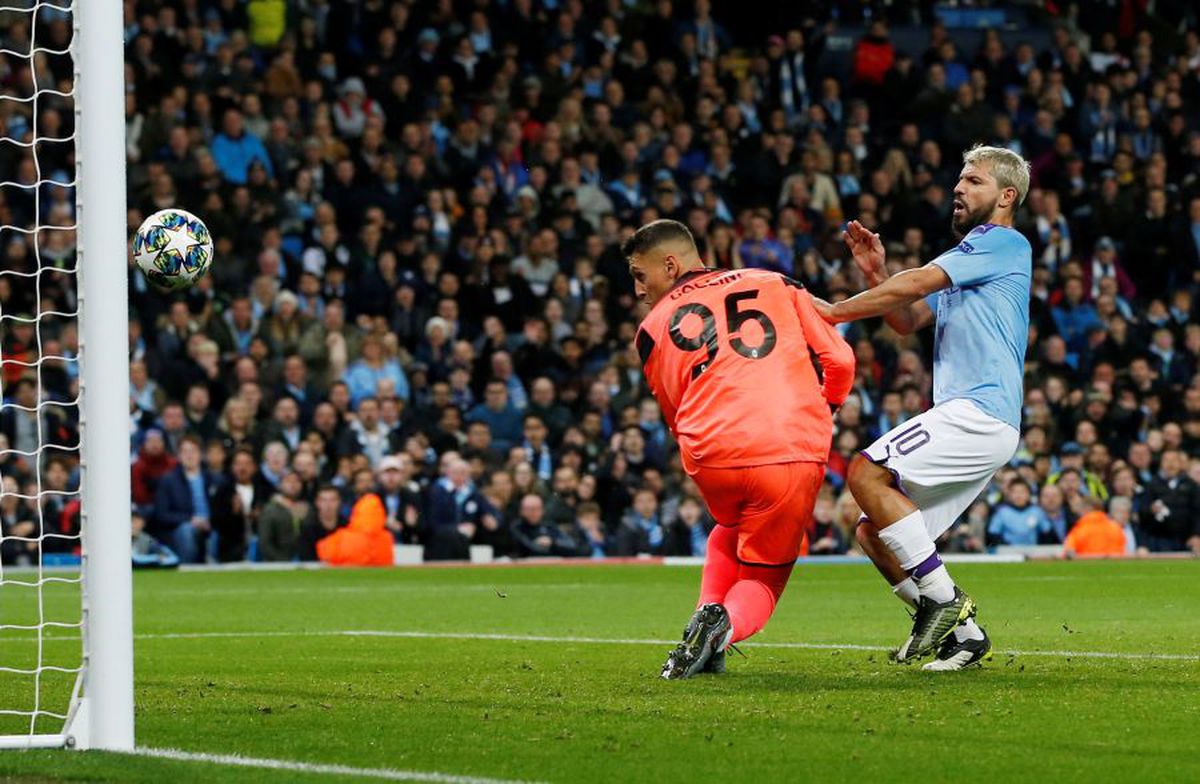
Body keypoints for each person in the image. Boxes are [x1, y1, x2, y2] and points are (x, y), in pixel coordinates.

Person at [814, 145, 1032, 671]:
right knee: (872, 529)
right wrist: (876, 272)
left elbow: (915, 284)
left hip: (978, 410)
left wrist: (834, 313)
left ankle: (945, 601)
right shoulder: (975, 259)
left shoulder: (1000, 242)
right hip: (982, 419)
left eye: (973, 181)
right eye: (959, 180)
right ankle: (964, 636)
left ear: (1006, 196)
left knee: (866, 471)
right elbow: (909, 318)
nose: (958, 188)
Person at [625, 219, 854, 679]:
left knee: (728, 529)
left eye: (639, 275)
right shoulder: (774, 282)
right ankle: (721, 628)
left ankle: (705, 620)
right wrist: (821, 407)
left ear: (670, 266)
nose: (637, 290)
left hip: (712, 457)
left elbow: (676, 414)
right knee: (764, 579)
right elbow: (840, 360)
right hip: (789, 447)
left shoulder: (649, 331)